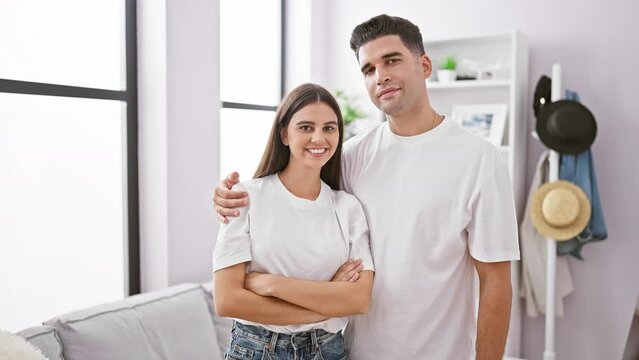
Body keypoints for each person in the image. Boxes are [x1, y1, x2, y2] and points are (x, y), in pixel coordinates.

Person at [214, 15, 519, 359]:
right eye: (368, 69)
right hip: (353, 351)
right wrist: (229, 197)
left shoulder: (479, 159)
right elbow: (295, 198)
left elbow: (496, 282)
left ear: (425, 65)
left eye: (391, 60)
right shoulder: (351, 156)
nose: (380, 76)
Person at [212, 83, 375, 360]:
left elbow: (358, 299)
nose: (319, 138)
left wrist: (273, 284)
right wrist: (327, 303)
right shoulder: (245, 196)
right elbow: (228, 300)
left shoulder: (348, 208)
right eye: (306, 127)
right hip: (257, 349)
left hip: (327, 350)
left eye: (329, 128)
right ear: (284, 134)